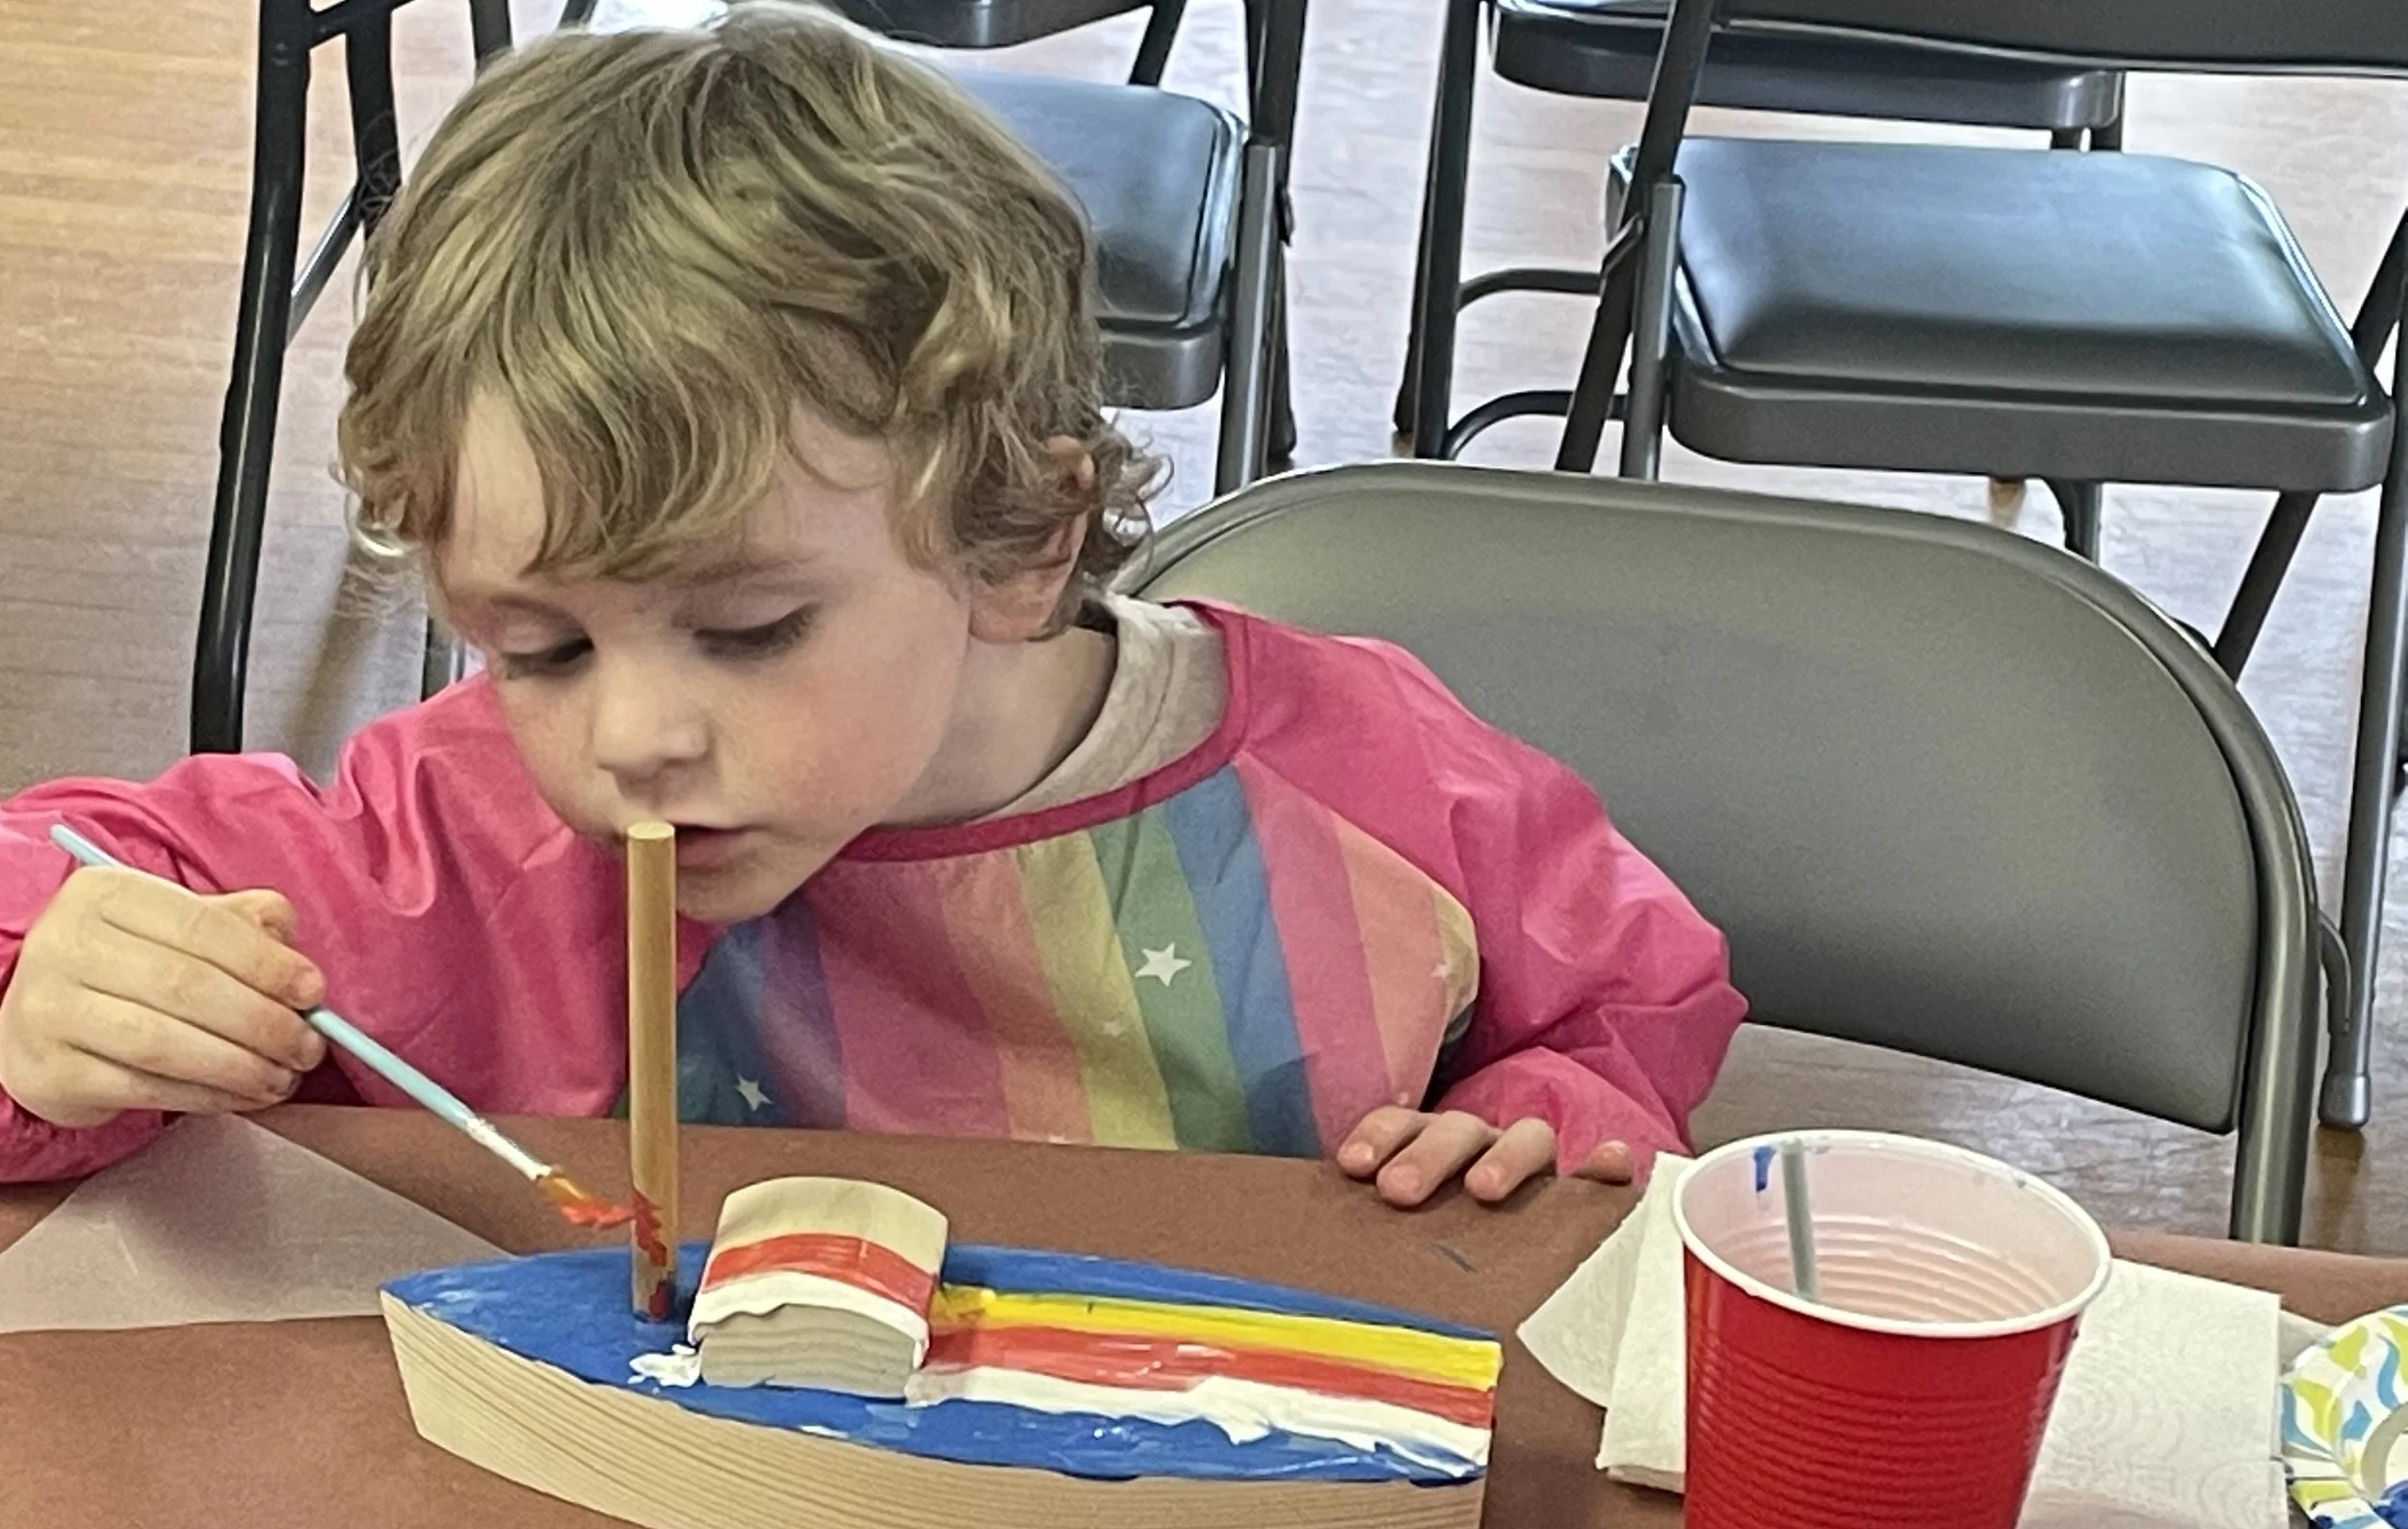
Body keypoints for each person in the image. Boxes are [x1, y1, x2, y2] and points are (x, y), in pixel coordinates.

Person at [0, 6, 1743, 1204]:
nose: (630, 738)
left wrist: (1543, 1124)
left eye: (748, 628)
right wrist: (59, 1002)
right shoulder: (472, 836)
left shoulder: (1362, 776)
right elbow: (65, 876)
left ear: (1014, 540)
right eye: (537, 642)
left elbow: (1635, 993)